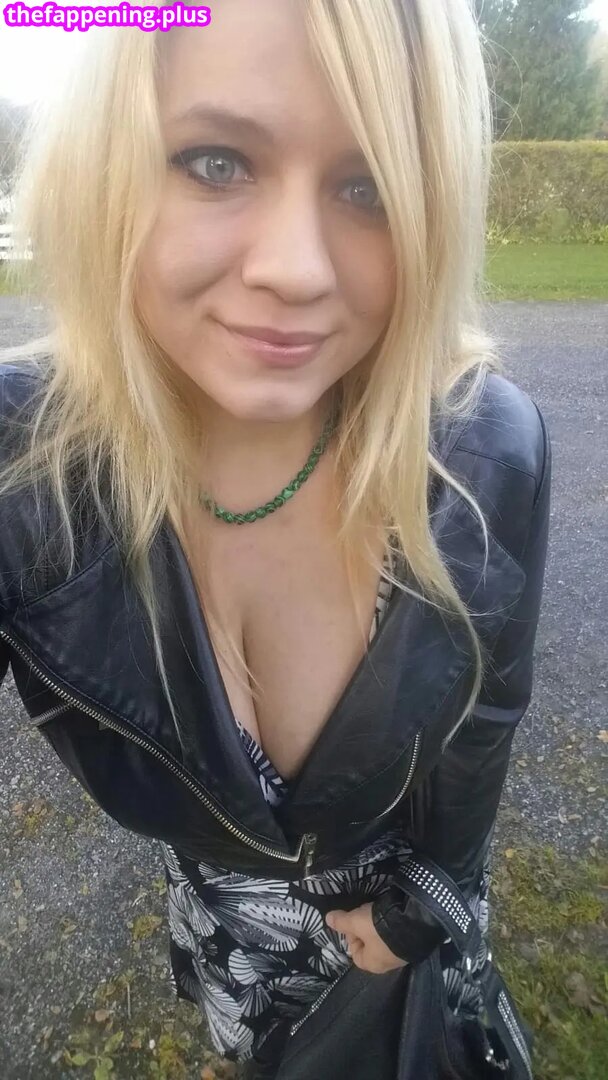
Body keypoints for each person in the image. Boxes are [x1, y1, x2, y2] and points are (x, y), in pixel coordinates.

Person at [0, 1, 551, 1076]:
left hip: (411, 931)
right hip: (230, 942)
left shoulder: (484, 450)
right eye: (216, 162)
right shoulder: (27, 465)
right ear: (107, 165)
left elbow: (487, 711)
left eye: (369, 186)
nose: (297, 269)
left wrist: (424, 903)